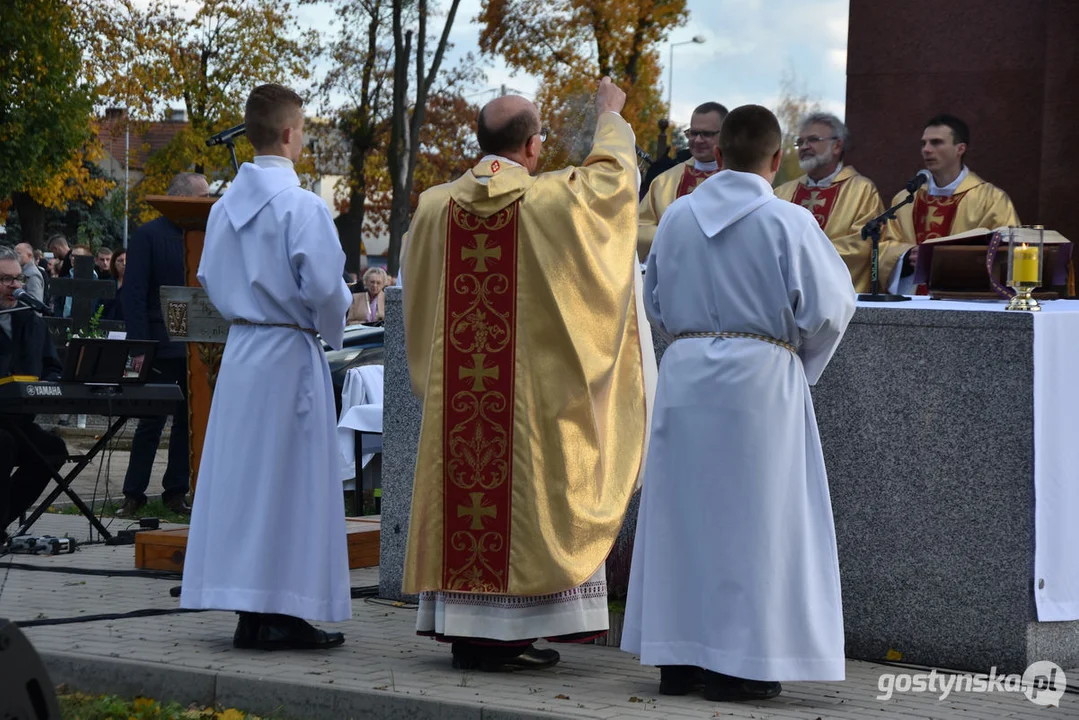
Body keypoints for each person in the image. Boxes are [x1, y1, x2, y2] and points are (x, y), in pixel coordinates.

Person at [401, 77, 652, 672]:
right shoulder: (550, 199)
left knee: (470, 497)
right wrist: (609, 118)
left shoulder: (435, 205)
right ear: (534, 147)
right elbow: (611, 190)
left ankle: (467, 628)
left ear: (478, 142)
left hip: (460, 396)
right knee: (528, 503)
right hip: (526, 398)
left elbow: (415, 295)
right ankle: (513, 632)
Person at [621, 105, 856, 701]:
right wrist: (793, 364)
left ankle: (677, 660)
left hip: (687, 373)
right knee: (755, 522)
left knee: (684, 517)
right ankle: (741, 666)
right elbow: (829, 311)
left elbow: (654, 302)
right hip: (760, 381)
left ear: (717, 155)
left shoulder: (674, 218)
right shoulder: (789, 221)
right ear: (779, 162)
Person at [180, 83, 353, 651]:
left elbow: (207, 277)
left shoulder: (225, 206)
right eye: (302, 129)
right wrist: (328, 328)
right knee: (291, 486)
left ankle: (249, 610)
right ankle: (282, 609)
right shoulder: (302, 206)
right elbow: (327, 288)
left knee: (246, 484)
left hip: (243, 354)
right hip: (288, 356)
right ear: (288, 133)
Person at [115, 173, 209, 518]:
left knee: (189, 420)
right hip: (158, 342)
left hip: (196, 345)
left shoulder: (203, 235)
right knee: (151, 421)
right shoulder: (148, 235)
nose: (208, 202)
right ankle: (134, 493)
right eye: (202, 196)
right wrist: (140, 345)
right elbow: (135, 294)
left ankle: (176, 491)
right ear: (181, 197)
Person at [775, 112, 907, 292]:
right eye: (800, 142)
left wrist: (801, 255)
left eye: (813, 140)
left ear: (837, 146)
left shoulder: (862, 190)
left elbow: (861, 246)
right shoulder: (783, 192)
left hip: (837, 297)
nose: (804, 147)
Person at [890, 114, 1018, 292]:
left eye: (936, 142)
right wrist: (905, 257)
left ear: (960, 149)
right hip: (912, 301)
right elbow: (883, 245)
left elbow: (1007, 252)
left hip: (966, 300)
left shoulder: (991, 200)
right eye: (923, 143)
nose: (926, 149)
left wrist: (946, 259)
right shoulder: (905, 200)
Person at [0, 246, 68, 544]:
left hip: (20, 420)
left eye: (17, 280)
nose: (14, 286)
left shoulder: (31, 319)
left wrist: (49, 384)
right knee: (3, 444)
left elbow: (53, 367)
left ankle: (2, 521)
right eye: (4, 280)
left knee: (52, 450)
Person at [637, 101, 728, 261]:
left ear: (726, 134)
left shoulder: (737, 180)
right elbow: (639, 228)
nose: (697, 140)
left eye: (706, 134)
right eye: (693, 133)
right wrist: (674, 237)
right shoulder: (665, 182)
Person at [100, 249, 126, 322]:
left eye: (127, 260)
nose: (124, 263)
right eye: (120, 260)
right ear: (114, 263)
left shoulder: (137, 285)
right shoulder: (107, 283)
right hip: (107, 326)